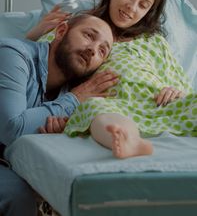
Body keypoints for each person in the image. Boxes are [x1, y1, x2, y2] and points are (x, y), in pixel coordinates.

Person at [31, 0, 184, 159]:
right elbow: (36, 69)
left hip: (159, 107)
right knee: (96, 110)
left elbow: (181, 86)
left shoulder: (155, 42)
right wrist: (34, 35)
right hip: (111, 105)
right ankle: (128, 140)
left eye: (143, 5)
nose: (132, 7)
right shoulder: (78, 28)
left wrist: (174, 91)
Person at [0, 13, 117, 216]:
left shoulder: (69, 95)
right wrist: (74, 98)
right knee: (20, 198)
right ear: (61, 31)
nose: (92, 50)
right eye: (89, 35)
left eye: (102, 51)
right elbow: (10, 128)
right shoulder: (13, 54)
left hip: (10, 161)